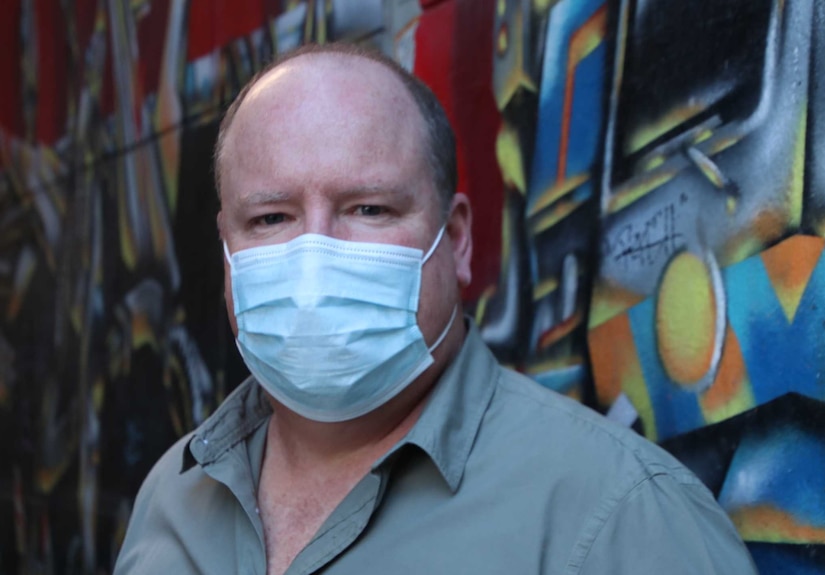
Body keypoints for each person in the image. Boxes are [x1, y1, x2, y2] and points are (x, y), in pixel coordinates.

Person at [114, 43, 757, 575]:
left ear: (456, 240)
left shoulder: (621, 519)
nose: (315, 259)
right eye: (271, 217)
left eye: (369, 209)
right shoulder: (174, 494)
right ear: (226, 249)